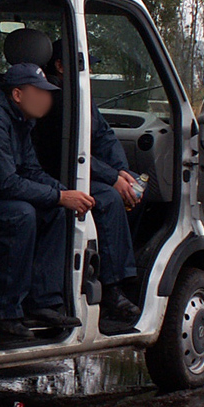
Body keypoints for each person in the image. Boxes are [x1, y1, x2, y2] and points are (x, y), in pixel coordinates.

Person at [0, 62, 91, 339]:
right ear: (17, 94)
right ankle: (3, 311)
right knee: (22, 214)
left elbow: (31, 170)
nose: (47, 98)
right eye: (39, 91)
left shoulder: (21, 119)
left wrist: (66, 194)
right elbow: (5, 182)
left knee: (56, 211)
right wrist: (58, 196)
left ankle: (42, 302)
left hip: (1, 195)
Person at [37, 37, 142, 324]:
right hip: (54, 172)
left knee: (132, 194)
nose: (90, 73)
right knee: (107, 199)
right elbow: (72, 149)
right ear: (60, 64)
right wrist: (111, 179)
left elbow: (103, 135)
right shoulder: (50, 97)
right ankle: (112, 290)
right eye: (85, 66)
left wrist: (124, 174)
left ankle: (126, 275)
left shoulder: (80, 93)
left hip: (81, 168)